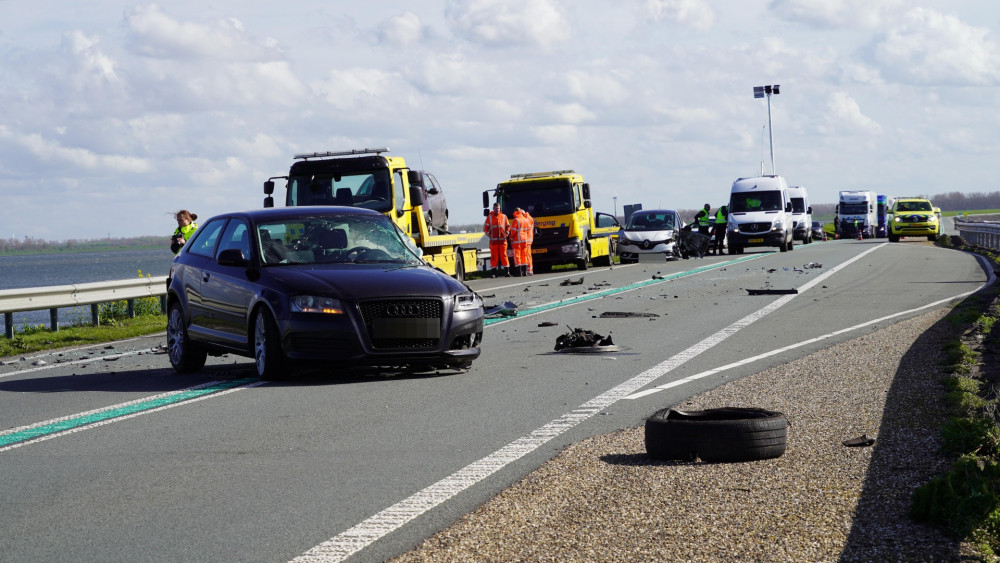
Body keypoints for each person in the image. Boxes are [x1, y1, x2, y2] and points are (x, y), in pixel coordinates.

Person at [483, 202, 511, 277]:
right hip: (493, 241)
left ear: (500, 209)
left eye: (498, 208)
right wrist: (490, 235)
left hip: (502, 241)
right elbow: (485, 228)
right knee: (494, 257)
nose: (497, 210)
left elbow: (508, 226)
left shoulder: (504, 217)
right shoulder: (490, 217)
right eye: (495, 208)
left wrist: (506, 234)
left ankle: (507, 272)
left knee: (504, 256)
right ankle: (493, 273)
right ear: (493, 209)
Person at [510, 208, 530, 277]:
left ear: (515, 212)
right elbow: (528, 229)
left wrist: (511, 237)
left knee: (517, 256)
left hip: (517, 241)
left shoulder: (516, 220)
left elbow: (513, 231)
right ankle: (525, 272)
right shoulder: (525, 219)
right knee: (524, 256)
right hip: (525, 240)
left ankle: (518, 272)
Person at [523, 208, 535, 275]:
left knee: (527, 255)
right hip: (528, 240)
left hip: (526, 240)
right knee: (528, 256)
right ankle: (529, 270)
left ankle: (529, 270)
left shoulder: (526, 219)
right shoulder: (529, 218)